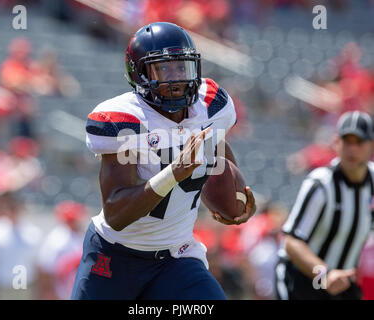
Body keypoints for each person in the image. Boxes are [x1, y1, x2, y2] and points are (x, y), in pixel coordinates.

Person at [71, 22, 256, 300]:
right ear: (140, 74)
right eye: (164, 68)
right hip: (116, 256)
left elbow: (217, 147)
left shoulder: (211, 106)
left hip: (176, 258)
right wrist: (174, 173)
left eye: (182, 67)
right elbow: (116, 214)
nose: (176, 78)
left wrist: (231, 199)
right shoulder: (125, 120)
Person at [275, 111, 374, 300]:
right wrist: (324, 274)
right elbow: (292, 242)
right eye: (347, 141)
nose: (352, 149)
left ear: (371, 145)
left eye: (359, 142)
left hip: (343, 281)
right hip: (304, 278)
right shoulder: (321, 185)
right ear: (337, 142)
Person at [37, 201, 87, 300]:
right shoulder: (57, 239)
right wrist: (49, 292)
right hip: (61, 291)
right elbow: (45, 269)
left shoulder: (82, 235)